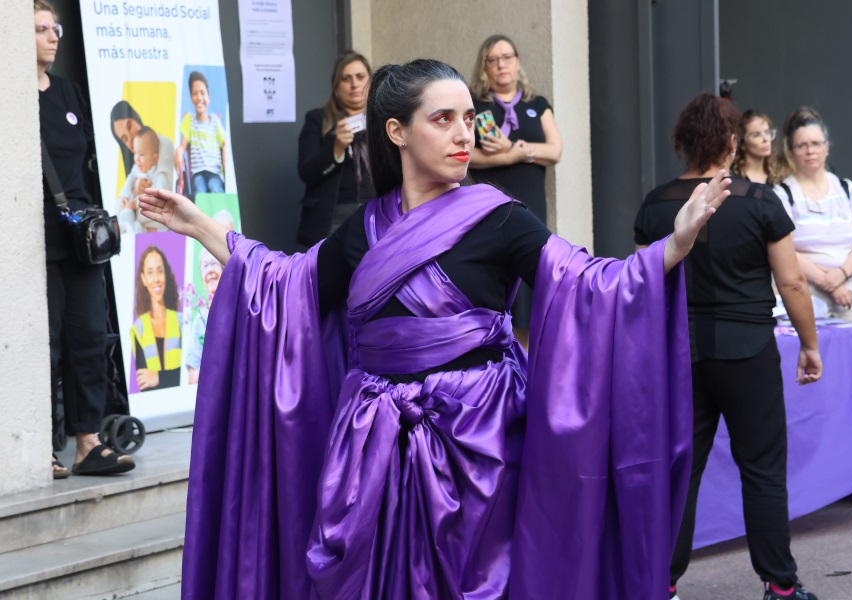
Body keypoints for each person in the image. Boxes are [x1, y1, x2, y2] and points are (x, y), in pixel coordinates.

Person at [140, 59, 731, 599]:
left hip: (479, 440)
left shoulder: (501, 218)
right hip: (371, 447)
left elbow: (590, 285)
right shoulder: (363, 229)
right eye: (443, 119)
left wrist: (673, 246)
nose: (462, 134)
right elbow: (286, 286)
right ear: (397, 132)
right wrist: (201, 228)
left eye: (468, 118)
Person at [633, 93, 823, 600]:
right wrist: (810, 345)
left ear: (683, 144)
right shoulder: (761, 202)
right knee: (762, 469)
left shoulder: (654, 204)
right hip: (749, 350)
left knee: (681, 472)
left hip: (679, 355)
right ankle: (780, 585)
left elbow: (641, 286)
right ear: (732, 142)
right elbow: (794, 285)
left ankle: (660, 583)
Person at [35, 0, 135, 477]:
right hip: (35, 242)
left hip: (80, 242)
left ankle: (88, 443)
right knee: (46, 346)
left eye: (55, 28)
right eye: (40, 30)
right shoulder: (13, 99)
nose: (54, 36)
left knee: (90, 338)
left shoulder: (70, 95)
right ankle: (40, 449)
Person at [468, 34, 562, 348]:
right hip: (490, 208)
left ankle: (530, 367)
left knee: (533, 289)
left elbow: (555, 150)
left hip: (531, 206)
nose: (501, 65)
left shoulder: (536, 104)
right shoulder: (475, 105)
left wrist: (517, 149)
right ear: (484, 67)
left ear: (517, 61)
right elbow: (467, 156)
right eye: (492, 59)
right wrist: (510, 155)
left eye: (507, 57)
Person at [773, 107, 852, 324]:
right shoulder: (783, 195)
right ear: (791, 151)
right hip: (804, 294)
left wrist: (841, 274)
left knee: (848, 354)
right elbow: (785, 250)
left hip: (851, 294)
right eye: (802, 145)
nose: (810, 151)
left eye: (816, 143)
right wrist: (828, 282)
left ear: (827, 146)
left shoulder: (848, 190)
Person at [296, 50, 374, 249]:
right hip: (333, 215)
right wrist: (336, 148)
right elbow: (306, 172)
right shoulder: (317, 119)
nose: (354, 84)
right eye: (346, 79)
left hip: (377, 210)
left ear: (371, 81)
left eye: (360, 77)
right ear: (336, 87)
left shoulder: (385, 119)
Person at [185, 210, 233, 384]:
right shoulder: (200, 320)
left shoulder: (243, 306)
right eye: (205, 267)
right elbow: (192, 377)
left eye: (214, 264)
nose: (210, 271)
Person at [130, 246, 182, 391]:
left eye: (160, 271)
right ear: (143, 279)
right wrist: (172, 377)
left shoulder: (182, 322)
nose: (156, 279)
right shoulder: (138, 329)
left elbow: (191, 374)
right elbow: (143, 382)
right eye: (150, 273)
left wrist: (159, 377)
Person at [175, 70, 227, 195]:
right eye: (195, 94)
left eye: (202, 93)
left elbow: (225, 143)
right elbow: (182, 146)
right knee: (200, 190)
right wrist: (178, 152)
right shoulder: (189, 121)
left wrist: (226, 166)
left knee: (214, 186)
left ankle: (220, 214)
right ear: (191, 98)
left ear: (209, 97)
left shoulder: (215, 121)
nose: (199, 97)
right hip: (198, 172)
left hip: (215, 171)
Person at [109, 100, 175, 186]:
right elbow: (122, 197)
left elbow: (164, 187)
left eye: (129, 127)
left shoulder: (163, 143)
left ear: (137, 116)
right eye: (125, 139)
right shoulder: (135, 167)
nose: (131, 137)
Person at [117, 126, 170, 233]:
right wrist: (124, 197)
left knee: (132, 222)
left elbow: (157, 194)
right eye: (135, 153)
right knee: (117, 208)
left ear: (154, 159)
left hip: (139, 209)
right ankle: (125, 225)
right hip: (130, 205)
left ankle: (129, 226)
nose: (137, 158)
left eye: (141, 155)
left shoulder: (154, 173)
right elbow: (128, 182)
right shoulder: (136, 169)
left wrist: (134, 203)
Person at [733, 109, 778, 185]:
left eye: (767, 132)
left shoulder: (777, 176)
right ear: (742, 144)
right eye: (756, 135)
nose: (766, 139)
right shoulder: (734, 178)